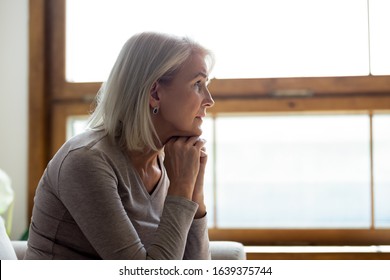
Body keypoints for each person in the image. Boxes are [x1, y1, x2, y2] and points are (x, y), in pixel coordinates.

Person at [24, 32, 215, 260]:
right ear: (155, 93)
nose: (209, 99)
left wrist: (195, 191)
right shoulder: (86, 161)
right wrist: (181, 189)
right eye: (197, 84)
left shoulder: (169, 161)